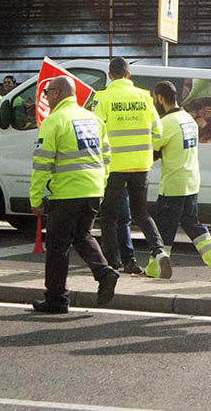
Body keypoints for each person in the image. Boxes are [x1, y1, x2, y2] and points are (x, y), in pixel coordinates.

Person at [29, 76, 118, 313]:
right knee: (82, 236)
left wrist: (35, 199)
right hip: (93, 190)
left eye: (47, 92)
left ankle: (56, 299)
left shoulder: (54, 121)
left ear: (57, 92)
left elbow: (41, 164)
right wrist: (101, 185)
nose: (45, 97)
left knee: (58, 246)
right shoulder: (94, 120)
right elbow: (107, 158)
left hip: (66, 192)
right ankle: (104, 272)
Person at [93, 57, 171, 279]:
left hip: (114, 167)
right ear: (128, 75)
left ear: (110, 76)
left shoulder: (103, 98)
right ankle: (158, 250)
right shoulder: (144, 97)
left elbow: (96, 133)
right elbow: (158, 132)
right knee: (141, 213)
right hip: (140, 166)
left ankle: (113, 262)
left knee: (109, 215)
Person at [150, 81, 211, 282]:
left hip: (173, 183)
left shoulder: (167, 123)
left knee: (163, 228)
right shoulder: (188, 119)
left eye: (154, 98)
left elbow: (152, 149)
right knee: (193, 224)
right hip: (191, 181)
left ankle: (157, 267)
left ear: (160, 98)